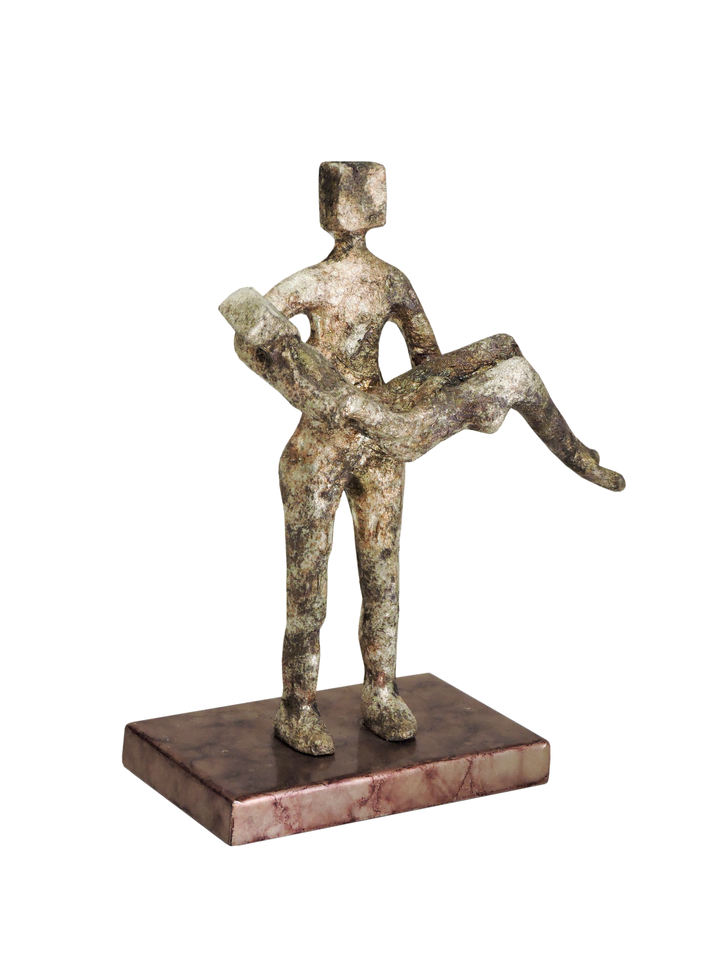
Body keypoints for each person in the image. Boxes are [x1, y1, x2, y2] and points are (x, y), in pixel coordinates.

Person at [221, 161, 624, 756]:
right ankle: (297, 705)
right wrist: (314, 391)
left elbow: (426, 362)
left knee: (381, 575)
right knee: (309, 587)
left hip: (380, 442)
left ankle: (381, 692)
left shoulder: (391, 282)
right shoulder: (310, 283)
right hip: (320, 448)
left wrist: (466, 372)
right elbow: (250, 336)